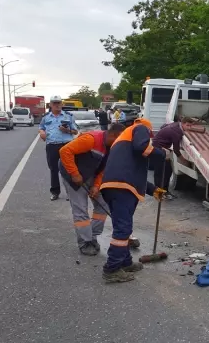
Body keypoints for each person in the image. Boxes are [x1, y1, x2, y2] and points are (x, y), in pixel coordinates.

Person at [99, 118, 167, 283]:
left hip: (115, 186)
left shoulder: (123, 140)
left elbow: (132, 171)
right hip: (122, 187)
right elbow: (142, 147)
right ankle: (112, 269)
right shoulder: (141, 127)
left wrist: (153, 189)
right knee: (123, 230)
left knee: (122, 226)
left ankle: (125, 262)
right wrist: (162, 153)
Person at [59, 123, 125, 255]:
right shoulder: (91, 139)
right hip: (73, 174)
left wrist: (96, 185)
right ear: (112, 135)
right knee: (80, 208)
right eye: (119, 140)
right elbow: (64, 151)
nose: (120, 144)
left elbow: (103, 169)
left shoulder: (112, 147)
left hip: (90, 174)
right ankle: (85, 242)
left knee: (102, 204)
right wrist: (74, 174)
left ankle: (92, 236)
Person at [39, 95, 78, 201]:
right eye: (54, 103)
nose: (57, 105)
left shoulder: (68, 116)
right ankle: (55, 192)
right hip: (52, 145)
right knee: (53, 169)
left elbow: (75, 131)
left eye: (59, 103)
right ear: (50, 105)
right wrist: (42, 133)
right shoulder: (46, 117)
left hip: (66, 145)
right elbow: (41, 128)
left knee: (68, 169)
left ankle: (70, 192)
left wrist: (67, 131)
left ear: (62, 104)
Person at [150, 116, 194, 200]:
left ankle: (164, 192)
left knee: (167, 171)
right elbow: (176, 150)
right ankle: (159, 194)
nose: (189, 128)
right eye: (188, 125)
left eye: (191, 126)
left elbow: (163, 127)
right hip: (159, 148)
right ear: (183, 123)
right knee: (161, 173)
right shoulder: (177, 132)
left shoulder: (177, 125)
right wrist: (185, 161)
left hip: (161, 147)